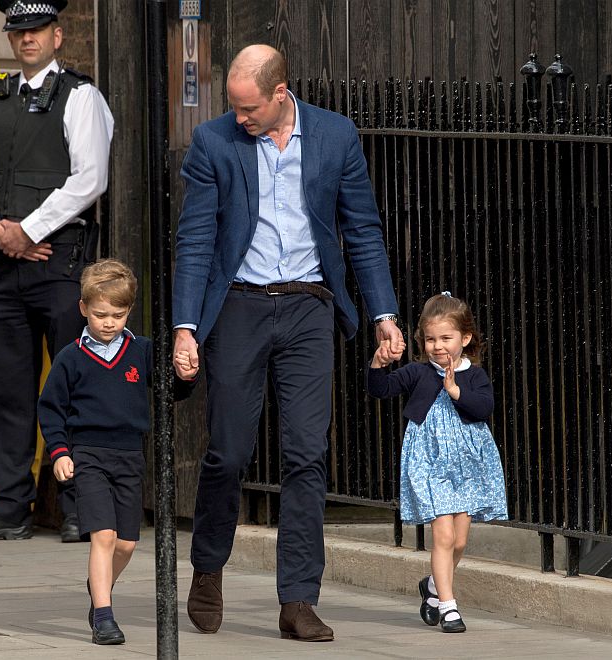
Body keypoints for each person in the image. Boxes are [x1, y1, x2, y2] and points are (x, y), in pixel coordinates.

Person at [171, 44, 406, 641]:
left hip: (309, 307)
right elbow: (195, 240)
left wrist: (384, 313)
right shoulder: (214, 143)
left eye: (248, 107)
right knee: (227, 451)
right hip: (240, 308)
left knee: (307, 454)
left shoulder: (334, 136)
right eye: (233, 106)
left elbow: (362, 229)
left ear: (281, 94)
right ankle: (207, 567)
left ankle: (298, 598)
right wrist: (185, 326)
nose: (238, 117)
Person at [0, 0, 113, 543]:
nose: (27, 40)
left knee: (76, 386)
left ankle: (79, 507)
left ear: (58, 35)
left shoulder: (81, 96)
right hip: (6, 265)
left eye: (37, 30)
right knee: (5, 393)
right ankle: (9, 507)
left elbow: (89, 178)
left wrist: (29, 230)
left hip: (61, 263)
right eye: (18, 31)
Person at [366, 292, 508, 633]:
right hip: (430, 464)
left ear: (466, 338)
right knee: (443, 537)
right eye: (431, 339)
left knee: (459, 541)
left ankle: (432, 587)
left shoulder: (473, 374)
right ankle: (449, 607)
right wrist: (377, 364)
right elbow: (380, 389)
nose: (438, 345)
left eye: (446, 338)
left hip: (468, 466)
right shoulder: (417, 372)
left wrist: (457, 391)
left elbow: (484, 407)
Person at [36, 260, 147, 645]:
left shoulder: (141, 352)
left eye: (118, 314)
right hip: (88, 455)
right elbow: (50, 409)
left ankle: (98, 586)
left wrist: (186, 372)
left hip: (130, 455)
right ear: (83, 308)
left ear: (129, 311)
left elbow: (173, 393)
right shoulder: (71, 357)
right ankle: (104, 615)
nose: (109, 322)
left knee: (127, 542)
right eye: (100, 314)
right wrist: (61, 452)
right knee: (103, 534)